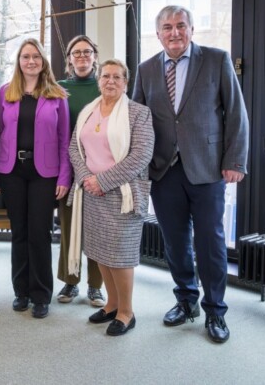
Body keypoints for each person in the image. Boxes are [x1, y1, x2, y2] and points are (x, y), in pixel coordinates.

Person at [133, 5, 249, 343]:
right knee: (175, 240)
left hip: (209, 167)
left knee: (210, 241)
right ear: (158, 34)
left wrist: (235, 161)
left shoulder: (216, 59)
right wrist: (138, 166)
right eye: (167, 27)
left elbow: (236, 114)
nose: (174, 32)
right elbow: (138, 120)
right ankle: (186, 300)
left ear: (192, 29)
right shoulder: (146, 69)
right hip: (163, 169)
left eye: (180, 26)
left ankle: (215, 309)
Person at [68, 59, 154, 336]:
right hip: (92, 193)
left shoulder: (138, 113)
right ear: (99, 79)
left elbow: (141, 155)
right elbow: (74, 148)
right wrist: (86, 179)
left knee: (121, 255)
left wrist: (103, 181)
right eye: (106, 76)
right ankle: (112, 304)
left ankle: (127, 312)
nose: (111, 81)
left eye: (118, 77)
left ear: (126, 83)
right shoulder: (88, 110)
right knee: (100, 252)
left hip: (123, 194)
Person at [0, 38, 71, 318]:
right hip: (11, 171)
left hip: (44, 174)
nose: (31, 61)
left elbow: (64, 140)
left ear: (43, 61)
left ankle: (41, 295)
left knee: (40, 233)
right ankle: (21, 291)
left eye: (36, 56)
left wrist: (64, 176)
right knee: (19, 233)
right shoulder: (5, 93)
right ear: (18, 62)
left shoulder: (57, 94)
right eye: (25, 57)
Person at [55, 35, 105, 307]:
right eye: (77, 53)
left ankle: (96, 286)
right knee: (68, 226)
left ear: (95, 56)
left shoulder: (105, 86)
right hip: (68, 169)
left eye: (87, 52)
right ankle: (69, 281)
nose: (82, 57)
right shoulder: (59, 88)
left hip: (99, 170)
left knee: (96, 229)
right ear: (69, 59)